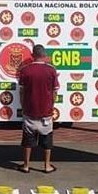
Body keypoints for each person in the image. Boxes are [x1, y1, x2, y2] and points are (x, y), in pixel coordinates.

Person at [18, 44, 59, 174]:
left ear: (32, 55)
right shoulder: (51, 70)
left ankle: (26, 165)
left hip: (30, 110)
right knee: (47, 140)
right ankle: (47, 166)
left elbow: (22, 92)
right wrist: (52, 105)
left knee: (28, 139)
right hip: (46, 111)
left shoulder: (25, 70)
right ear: (45, 55)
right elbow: (54, 91)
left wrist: (23, 106)